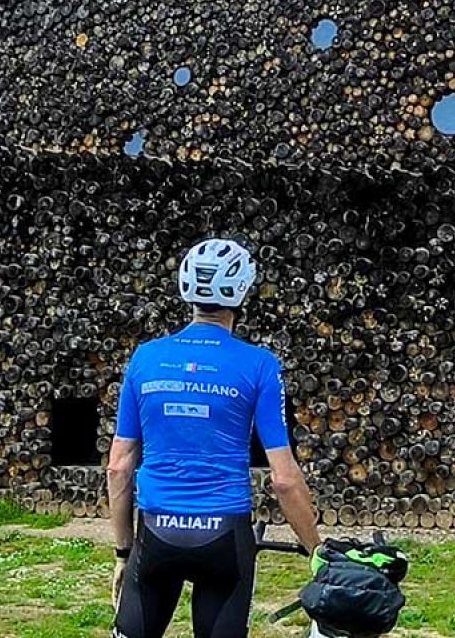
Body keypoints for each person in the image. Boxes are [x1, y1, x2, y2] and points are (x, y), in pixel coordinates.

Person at [109, 238, 322, 638]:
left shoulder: (145, 357)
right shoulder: (259, 364)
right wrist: (316, 552)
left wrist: (123, 552)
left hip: (155, 531)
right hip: (224, 535)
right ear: (242, 291)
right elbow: (284, 478)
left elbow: (118, 467)